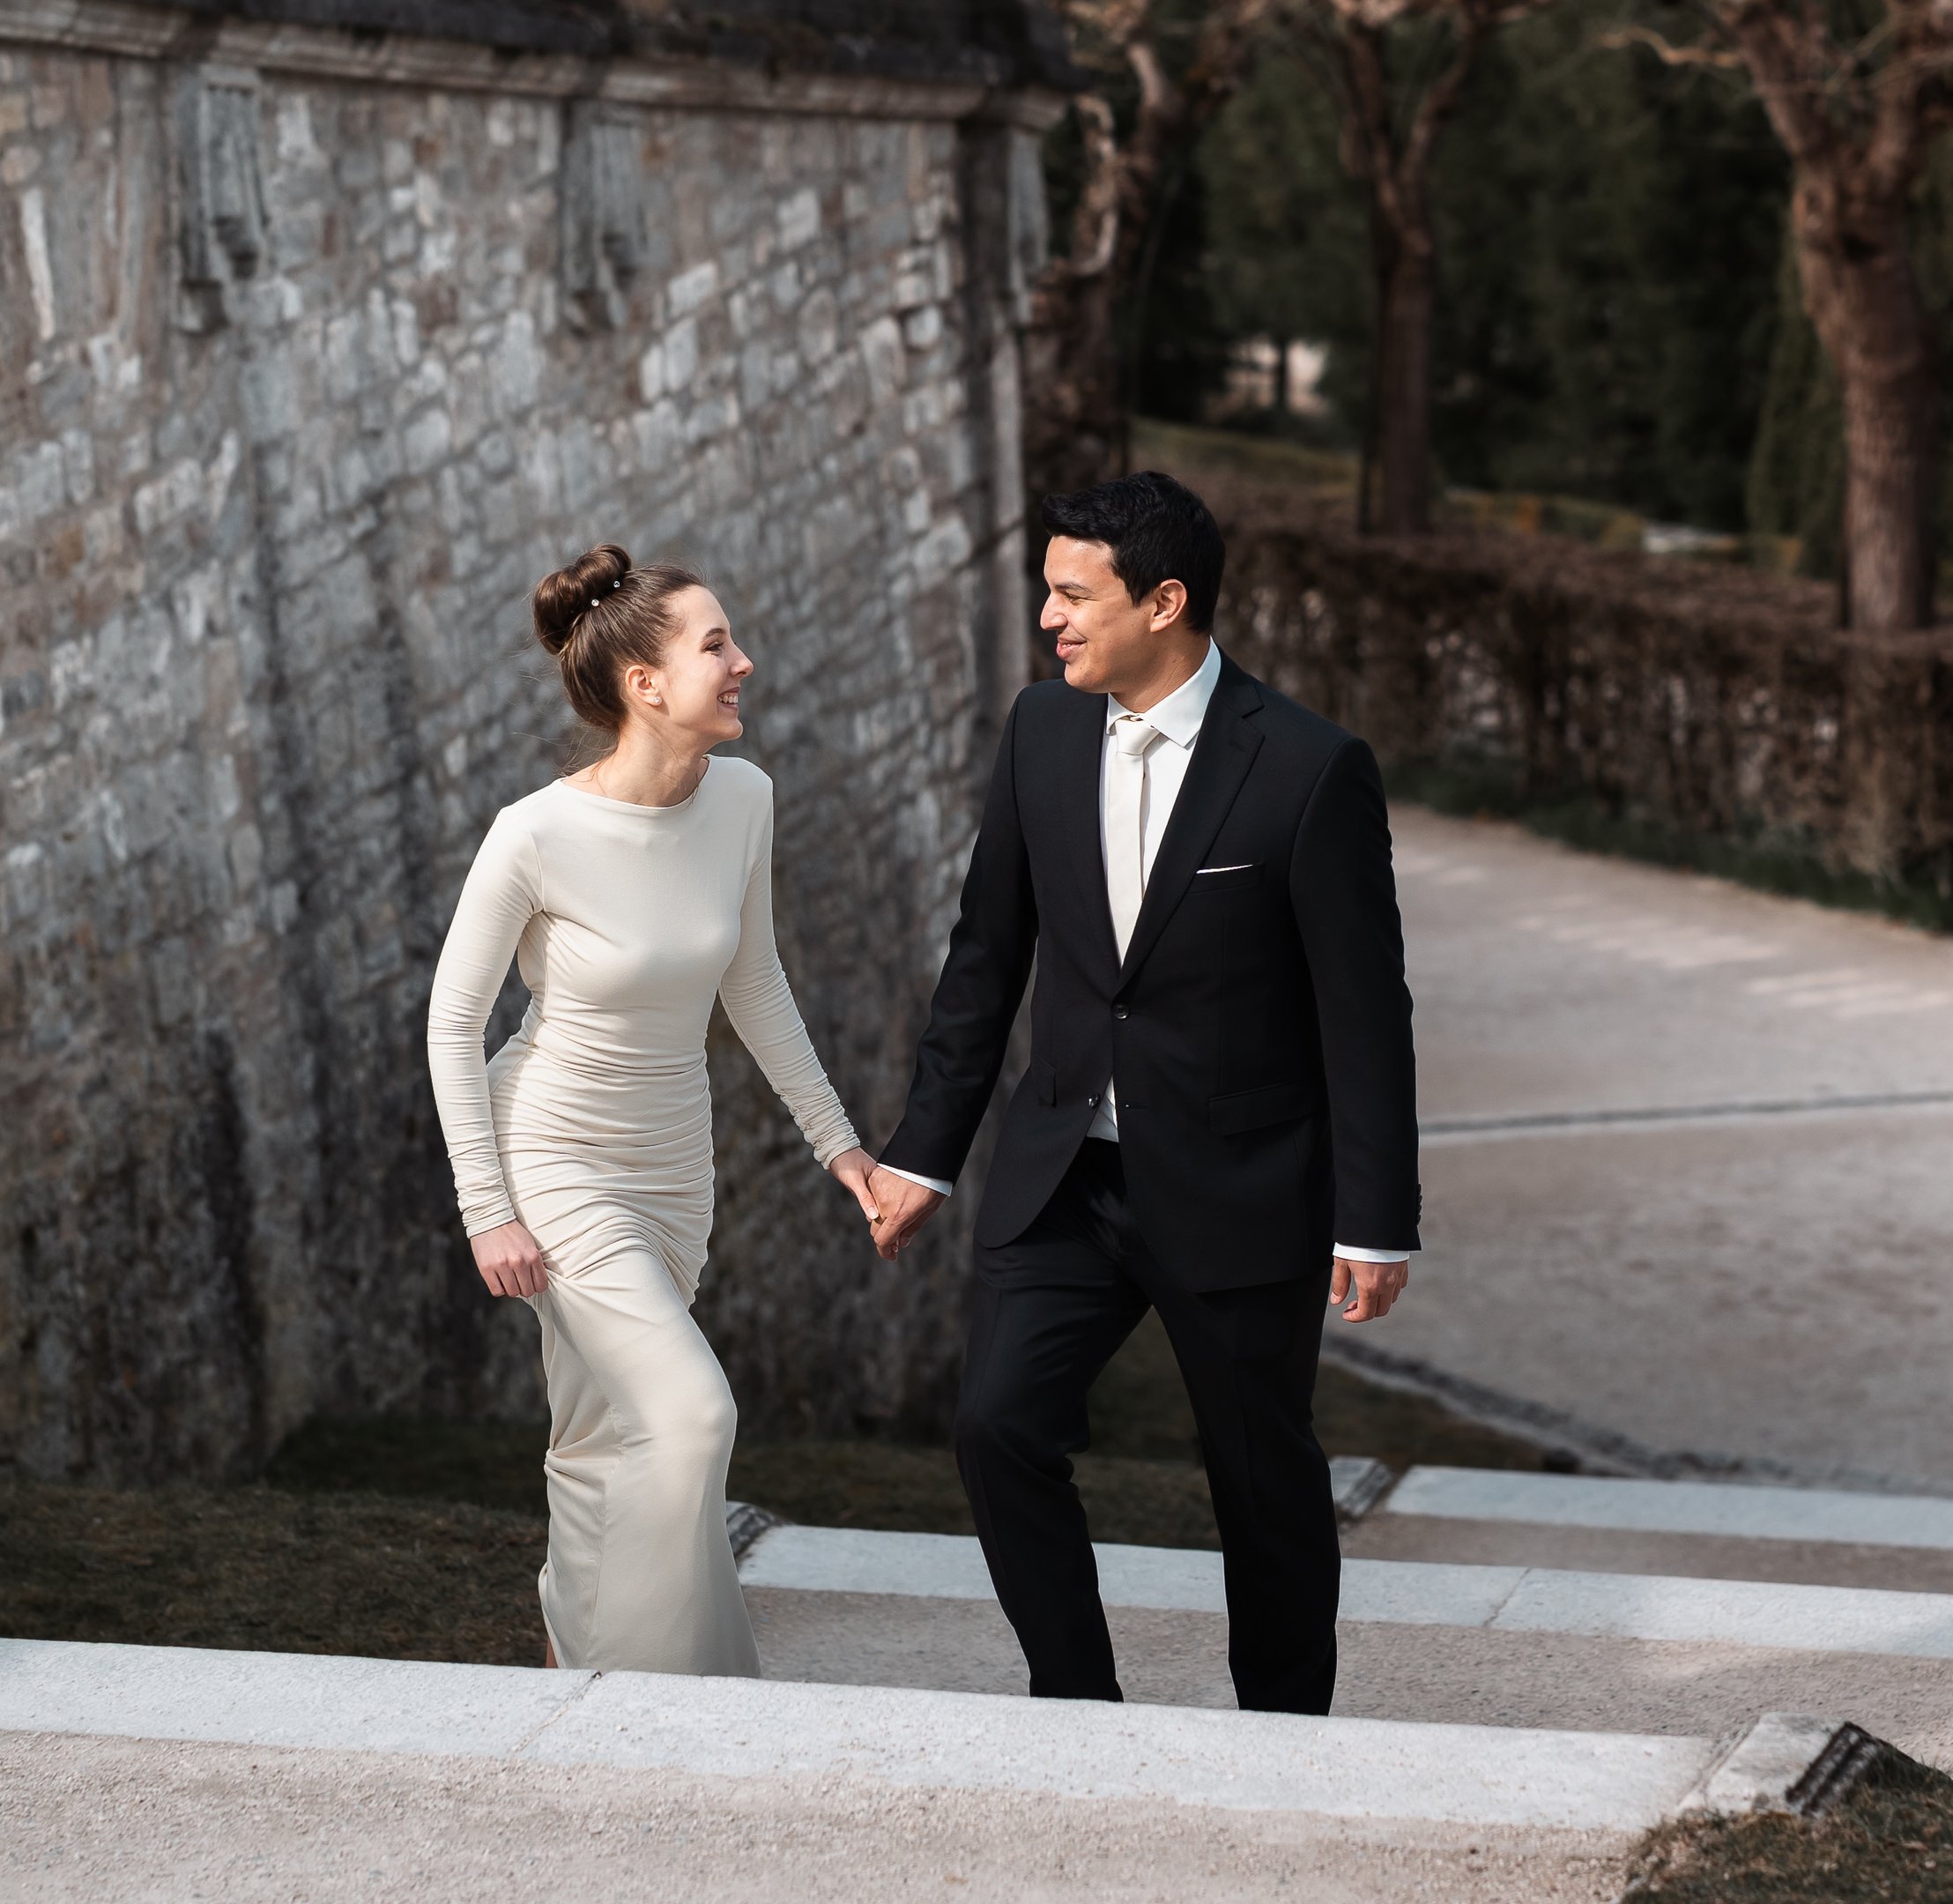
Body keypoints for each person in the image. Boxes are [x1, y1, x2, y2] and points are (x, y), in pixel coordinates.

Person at [863, 471, 1419, 1716]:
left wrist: (1376, 1220)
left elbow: (1365, 1015)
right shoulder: (1041, 731)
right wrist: (923, 1153)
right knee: (998, 1426)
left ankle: (1282, 1734)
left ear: (1164, 602)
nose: (1051, 618)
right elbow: (986, 957)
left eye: (1075, 595)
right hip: (1065, 1175)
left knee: (1258, 1477)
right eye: (1047, 592)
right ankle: (1077, 1704)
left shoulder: (1310, 772)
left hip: (1239, 1188)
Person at [424, 544, 881, 1676]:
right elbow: (452, 1024)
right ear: (645, 685)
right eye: (716, 645)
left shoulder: (743, 800)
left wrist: (839, 1144)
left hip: (676, 1167)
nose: (745, 663)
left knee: (596, 1440)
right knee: (690, 1418)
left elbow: (756, 983)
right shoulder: (534, 834)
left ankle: (570, 1649)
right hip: (552, 1156)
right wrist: (489, 1211)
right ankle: (666, 1706)